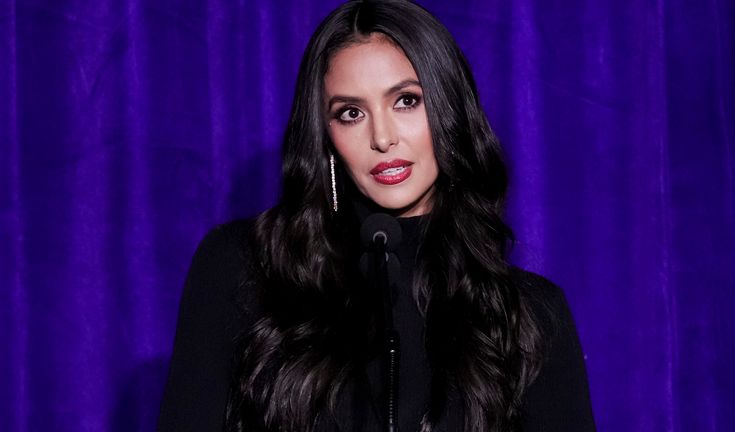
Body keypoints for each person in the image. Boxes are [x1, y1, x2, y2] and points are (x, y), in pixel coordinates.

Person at [157, 0, 595, 431]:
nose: (382, 137)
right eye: (351, 113)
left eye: (406, 101)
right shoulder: (242, 266)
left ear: (450, 109)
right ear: (326, 137)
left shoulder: (529, 314)